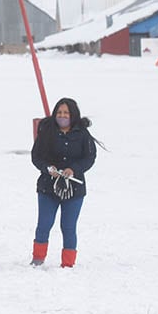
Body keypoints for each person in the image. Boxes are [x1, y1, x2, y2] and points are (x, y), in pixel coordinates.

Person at [30, 97, 98, 268]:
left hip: (74, 188)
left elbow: (90, 157)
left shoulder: (83, 134)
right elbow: (36, 156)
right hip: (48, 187)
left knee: (68, 227)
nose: (62, 116)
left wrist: (74, 169)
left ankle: (68, 264)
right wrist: (47, 168)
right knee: (44, 224)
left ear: (73, 115)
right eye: (59, 112)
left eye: (66, 113)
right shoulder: (46, 131)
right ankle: (37, 259)